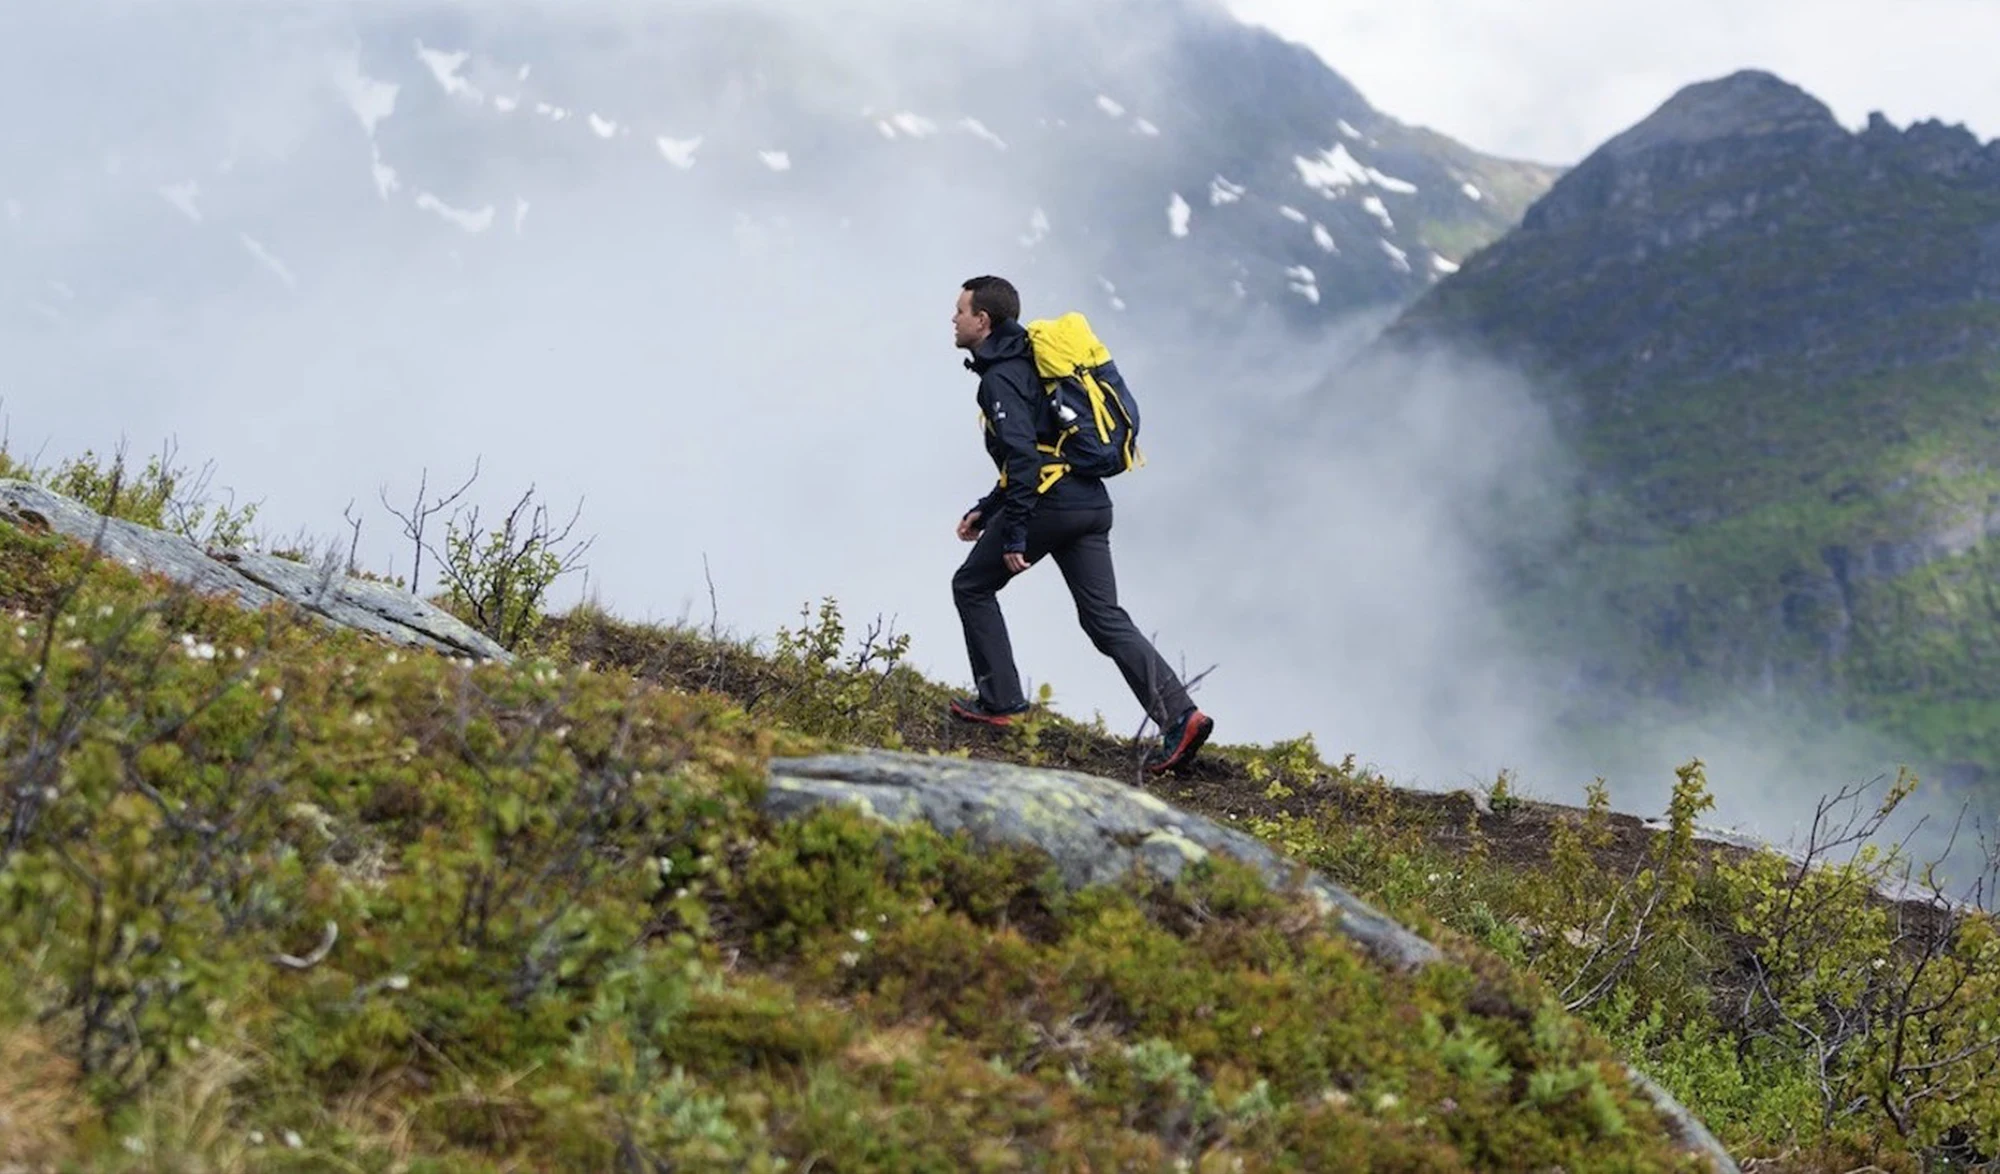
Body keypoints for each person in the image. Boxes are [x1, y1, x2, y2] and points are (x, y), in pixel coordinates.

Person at [947, 274, 1214, 775]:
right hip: (1090, 504)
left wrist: (1017, 531)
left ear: (983, 321)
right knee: (1102, 616)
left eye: (960, 312)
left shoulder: (1000, 377)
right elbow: (1040, 453)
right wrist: (989, 508)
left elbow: (1025, 460)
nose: (953, 320)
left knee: (971, 585)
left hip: (1050, 504)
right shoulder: (1032, 362)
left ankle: (1001, 703)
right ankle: (1181, 716)